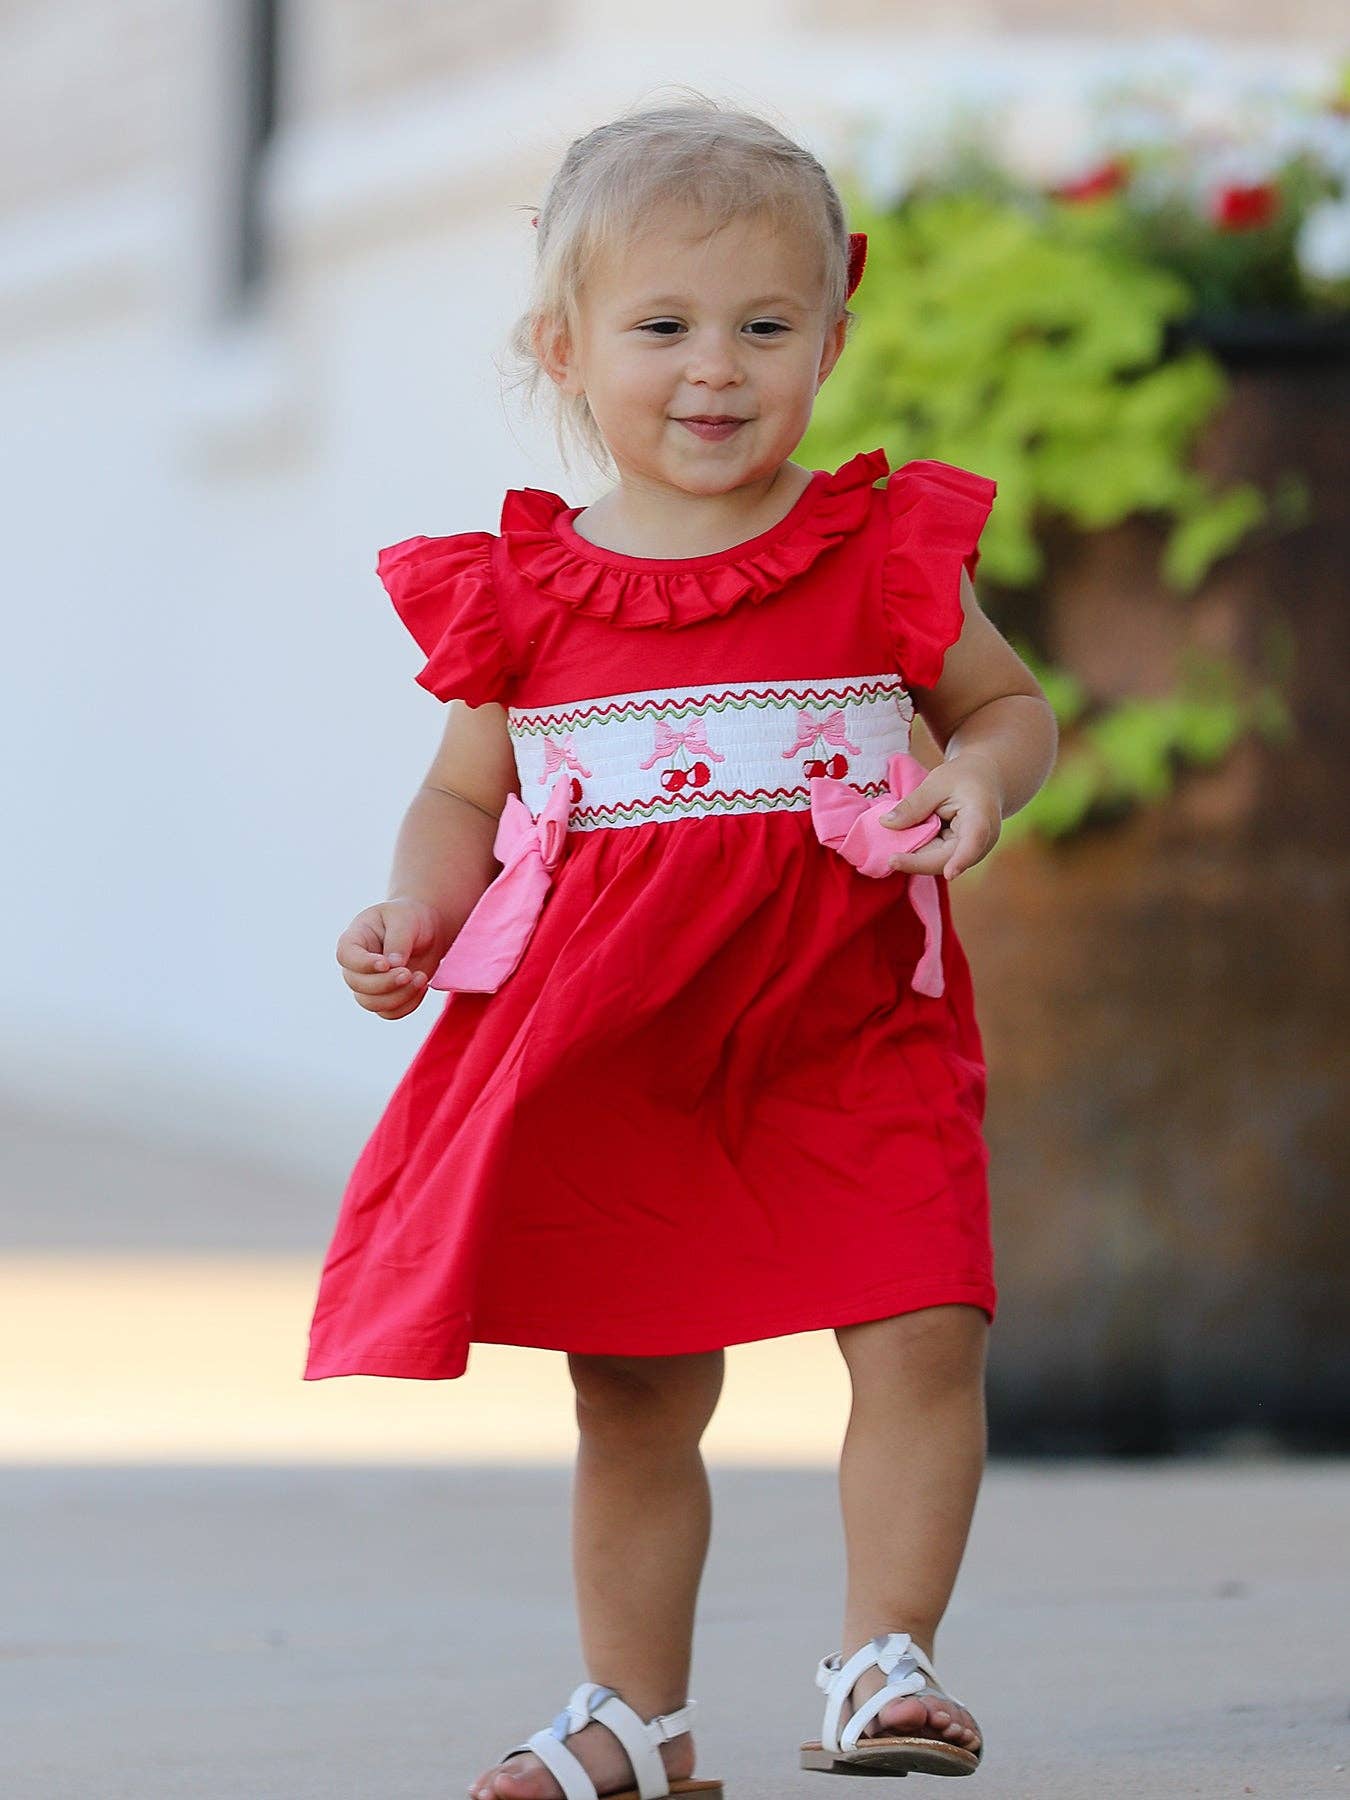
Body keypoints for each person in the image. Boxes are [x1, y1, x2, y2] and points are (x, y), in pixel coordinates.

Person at [306, 94, 1058, 1798]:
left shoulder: (876, 553)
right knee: (635, 1394)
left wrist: (975, 778)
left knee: (924, 1318)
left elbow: (1009, 708)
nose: (713, 369)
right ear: (562, 347)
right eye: (662, 327)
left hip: (846, 1019)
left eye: (764, 327)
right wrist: (411, 914)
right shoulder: (528, 593)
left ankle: (887, 1660)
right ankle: (631, 1715)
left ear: (831, 336)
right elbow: (457, 802)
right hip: (619, 1045)